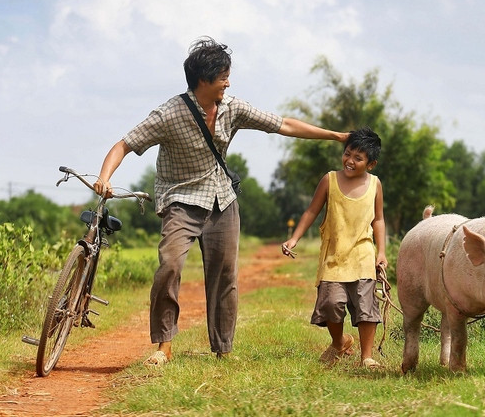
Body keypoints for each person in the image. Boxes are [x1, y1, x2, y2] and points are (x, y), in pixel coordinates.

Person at [93, 37, 349, 366]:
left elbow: (282, 124)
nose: (228, 83)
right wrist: (105, 177)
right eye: (223, 77)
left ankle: (223, 349)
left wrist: (334, 136)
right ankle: (164, 347)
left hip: (222, 199)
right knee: (169, 266)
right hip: (181, 200)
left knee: (225, 276)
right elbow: (123, 145)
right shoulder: (168, 114)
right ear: (203, 80)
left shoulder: (233, 107)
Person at [282, 127, 387, 369]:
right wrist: (294, 238)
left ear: (371, 164)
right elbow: (311, 211)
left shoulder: (375, 185)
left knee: (366, 307)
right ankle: (339, 342)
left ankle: (367, 357)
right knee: (330, 303)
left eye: (358, 158)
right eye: (347, 154)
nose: (350, 161)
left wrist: (381, 252)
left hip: (362, 254)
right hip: (334, 255)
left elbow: (378, 219)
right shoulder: (329, 180)